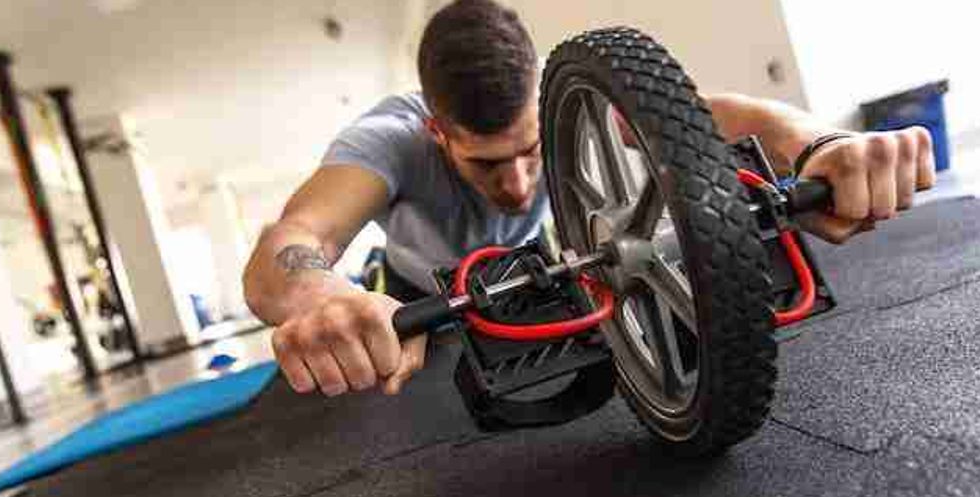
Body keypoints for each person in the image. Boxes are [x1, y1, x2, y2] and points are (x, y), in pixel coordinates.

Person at [243, 0, 936, 398]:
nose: (517, 185)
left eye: (529, 152)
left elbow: (721, 115)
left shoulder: (565, 99)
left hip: (541, 266)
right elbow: (294, 237)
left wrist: (821, 146)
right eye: (486, 165)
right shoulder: (389, 139)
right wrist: (320, 300)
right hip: (414, 296)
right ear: (436, 130)